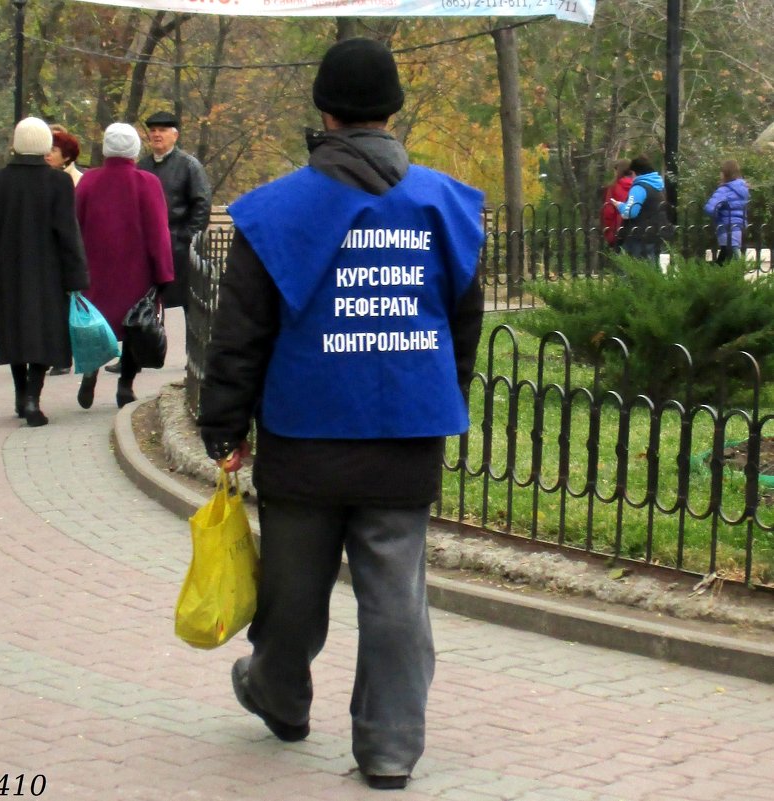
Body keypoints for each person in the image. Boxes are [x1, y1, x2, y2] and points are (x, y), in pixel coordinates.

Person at [197, 38, 485, 791]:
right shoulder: (446, 204)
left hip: (304, 434)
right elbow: (461, 324)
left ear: (323, 109)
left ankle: (279, 693)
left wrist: (225, 425)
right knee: (395, 595)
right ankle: (389, 747)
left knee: (293, 590)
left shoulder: (271, 211)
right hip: (406, 434)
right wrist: (443, 396)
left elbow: (242, 331)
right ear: (392, 109)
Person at [0, 117, 89, 427]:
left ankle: (21, 395)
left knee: (14, 331)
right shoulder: (58, 183)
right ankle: (33, 396)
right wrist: (77, 277)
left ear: (16, 145)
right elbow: (68, 234)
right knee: (45, 334)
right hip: (49, 272)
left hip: (9, 270)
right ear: (45, 145)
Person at [74, 123, 174, 409]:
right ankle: (125, 385)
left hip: (94, 269)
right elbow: (158, 231)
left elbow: (75, 225)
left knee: (97, 322)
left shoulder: (89, 182)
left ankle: (91, 371)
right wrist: (163, 272)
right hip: (136, 270)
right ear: (134, 149)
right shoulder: (147, 183)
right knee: (134, 324)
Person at [137, 110, 211, 315]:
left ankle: (176, 345)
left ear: (175, 135)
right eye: (153, 130)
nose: (156, 135)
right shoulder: (142, 167)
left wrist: (185, 238)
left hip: (176, 246)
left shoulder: (188, 166)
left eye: (162, 130)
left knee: (175, 305)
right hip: (146, 246)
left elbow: (202, 203)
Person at [45, 129, 85, 375]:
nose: (48, 155)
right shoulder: (43, 178)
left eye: (54, 151)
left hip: (70, 249)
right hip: (49, 251)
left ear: (67, 156)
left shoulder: (78, 181)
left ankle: (64, 356)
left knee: (67, 305)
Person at [611, 154, 669, 263]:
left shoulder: (639, 187)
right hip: (656, 232)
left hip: (639, 235)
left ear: (635, 172)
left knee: (632, 270)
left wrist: (619, 205)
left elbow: (631, 211)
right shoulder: (658, 185)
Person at [704, 159, 750, 264]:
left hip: (725, 225)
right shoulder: (743, 188)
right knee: (727, 253)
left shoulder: (724, 190)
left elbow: (710, 208)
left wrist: (716, 214)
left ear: (725, 173)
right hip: (739, 226)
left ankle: (739, 271)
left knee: (731, 252)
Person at [600, 158, 633, 251]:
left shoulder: (613, 187)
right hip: (635, 229)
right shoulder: (638, 186)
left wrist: (609, 235)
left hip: (618, 229)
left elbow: (608, 211)